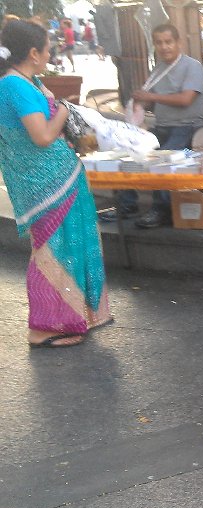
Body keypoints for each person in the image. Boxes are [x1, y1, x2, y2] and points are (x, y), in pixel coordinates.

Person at [0, 20, 111, 348]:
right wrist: (65, 108)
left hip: (60, 179)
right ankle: (45, 326)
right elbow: (43, 135)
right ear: (33, 53)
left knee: (67, 249)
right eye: (48, 49)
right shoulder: (14, 87)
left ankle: (72, 318)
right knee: (52, 252)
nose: (51, 54)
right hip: (46, 186)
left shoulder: (27, 80)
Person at [100, 24, 203, 228]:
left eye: (168, 42)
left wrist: (150, 96)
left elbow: (186, 99)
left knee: (163, 159)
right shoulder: (158, 68)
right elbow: (154, 102)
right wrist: (140, 101)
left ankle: (162, 210)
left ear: (179, 43)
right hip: (163, 126)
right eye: (159, 43)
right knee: (128, 151)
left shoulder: (192, 66)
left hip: (188, 126)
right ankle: (126, 204)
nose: (164, 47)